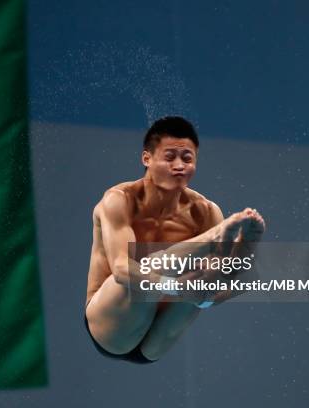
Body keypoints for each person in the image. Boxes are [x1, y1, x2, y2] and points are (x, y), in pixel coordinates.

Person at [84, 116, 265, 363]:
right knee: (150, 269)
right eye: (169, 157)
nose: (179, 165)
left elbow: (230, 285)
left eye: (187, 159)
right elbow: (121, 270)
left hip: (158, 338)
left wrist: (206, 298)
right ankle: (213, 241)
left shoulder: (207, 211)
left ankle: (234, 251)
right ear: (146, 158)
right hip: (111, 324)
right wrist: (178, 287)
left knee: (214, 278)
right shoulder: (119, 200)